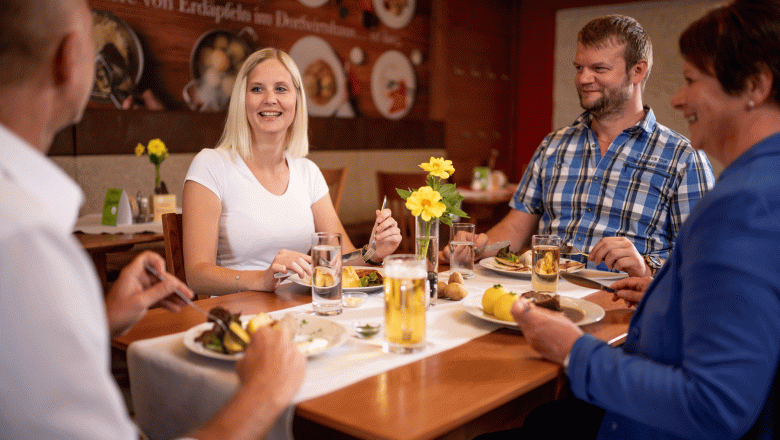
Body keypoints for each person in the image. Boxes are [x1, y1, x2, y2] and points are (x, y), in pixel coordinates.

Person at [0, 1, 305, 439]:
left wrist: (101, 318)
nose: (271, 100)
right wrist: (265, 393)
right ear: (71, 58)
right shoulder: (25, 242)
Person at [495, 1, 780, 438]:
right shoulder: (759, 188)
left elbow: (715, 406)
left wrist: (575, 352)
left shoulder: (741, 205)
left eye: (690, 80)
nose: (678, 97)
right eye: (578, 67)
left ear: (756, 86)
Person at [446, 15, 715, 277]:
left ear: (638, 70)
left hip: (623, 305)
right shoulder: (553, 145)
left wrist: (647, 268)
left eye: (599, 68)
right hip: (545, 293)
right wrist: (477, 248)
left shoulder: (684, 157)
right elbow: (516, 229)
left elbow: (704, 259)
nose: (584, 79)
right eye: (579, 68)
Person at [183, 48, 401, 296]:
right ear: (242, 100)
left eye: (281, 89)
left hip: (299, 311)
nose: (269, 99)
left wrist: (374, 251)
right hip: (237, 317)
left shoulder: (307, 171)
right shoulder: (211, 165)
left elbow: (340, 259)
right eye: (257, 89)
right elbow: (197, 275)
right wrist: (262, 279)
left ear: (296, 100)